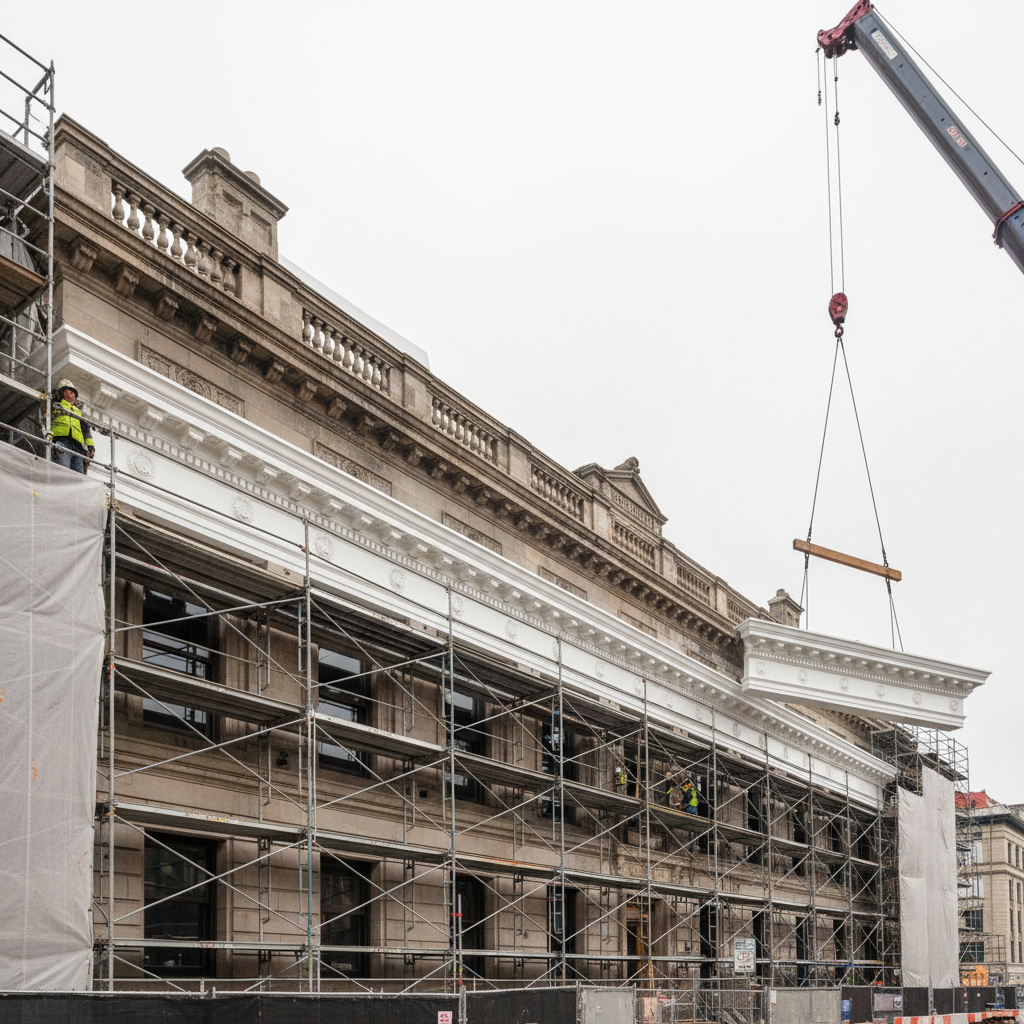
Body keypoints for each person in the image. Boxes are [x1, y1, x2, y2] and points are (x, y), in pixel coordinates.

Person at [50, 378, 94, 474]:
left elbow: (85, 431)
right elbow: (46, 418)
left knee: (78, 476)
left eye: (72, 393)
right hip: (62, 441)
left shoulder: (78, 412)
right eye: (67, 392)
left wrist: (90, 447)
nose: (71, 395)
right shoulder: (56, 406)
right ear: (61, 394)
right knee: (63, 471)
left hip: (78, 447)